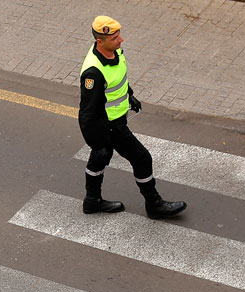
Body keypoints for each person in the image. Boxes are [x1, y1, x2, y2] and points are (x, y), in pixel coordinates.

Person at [78, 15, 186, 219]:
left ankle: (92, 201)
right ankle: (153, 204)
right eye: (115, 38)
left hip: (117, 121)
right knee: (140, 157)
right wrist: (96, 143)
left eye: (119, 36)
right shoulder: (93, 72)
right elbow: (86, 113)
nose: (121, 40)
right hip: (107, 126)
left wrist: (130, 95)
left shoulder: (115, 52)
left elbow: (118, 78)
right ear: (99, 41)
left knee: (100, 161)